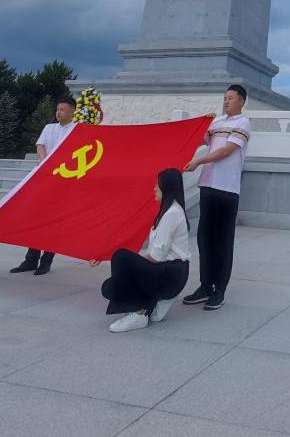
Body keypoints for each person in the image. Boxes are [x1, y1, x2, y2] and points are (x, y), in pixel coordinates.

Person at [92, 168, 191, 332]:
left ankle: (139, 313)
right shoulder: (167, 212)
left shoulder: (172, 214)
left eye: (157, 185)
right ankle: (150, 303)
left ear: (166, 187)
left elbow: (156, 257)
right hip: (163, 270)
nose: (154, 188)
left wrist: (129, 264)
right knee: (109, 287)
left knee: (121, 257)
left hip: (171, 274)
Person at [182, 84, 251, 311]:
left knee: (222, 241)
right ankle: (205, 286)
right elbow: (198, 139)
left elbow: (226, 151)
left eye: (230, 98)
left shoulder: (243, 123)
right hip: (208, 185)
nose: (226, 101)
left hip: (227, 189)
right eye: (224, 98)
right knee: (204, 239)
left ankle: (219, 290)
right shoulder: (217, 122)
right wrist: (201, 123)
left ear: (241, 101)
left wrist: (199, 161)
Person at [11, 97, 77, 276]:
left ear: (72, 111)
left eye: (63, 110)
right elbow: (41, 145)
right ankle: (30, 259)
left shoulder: (77, 129)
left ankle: (46, 261)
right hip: (44, 177)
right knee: (36, 218)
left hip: (63, 181)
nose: (59, 112)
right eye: (57, 109)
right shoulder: (49, 128)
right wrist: (44, 161)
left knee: (53, 222)